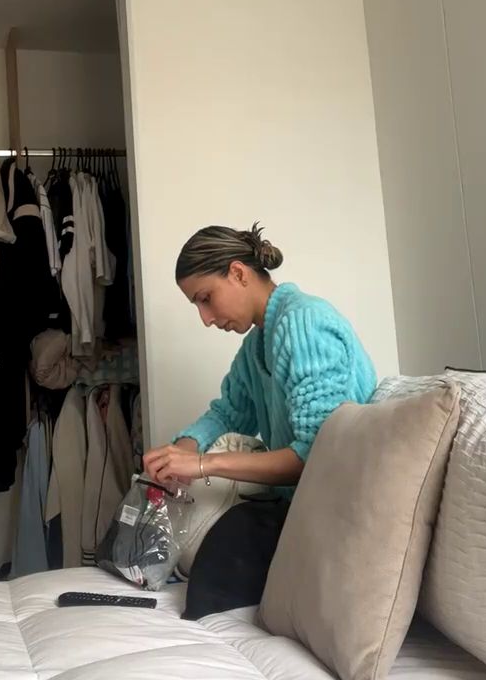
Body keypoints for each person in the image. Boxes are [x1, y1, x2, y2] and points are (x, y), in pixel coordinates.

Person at [142, 222, 377, 617]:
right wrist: (181, 450)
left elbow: (314, 455)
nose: (205, 318)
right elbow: (227, 412)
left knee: (218, 565)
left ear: (238, 273)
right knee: (201, 553)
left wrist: (203, 465)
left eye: (206, 299)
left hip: (340, 509)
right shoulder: (257, 346)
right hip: (301, 506)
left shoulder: (304, 323)